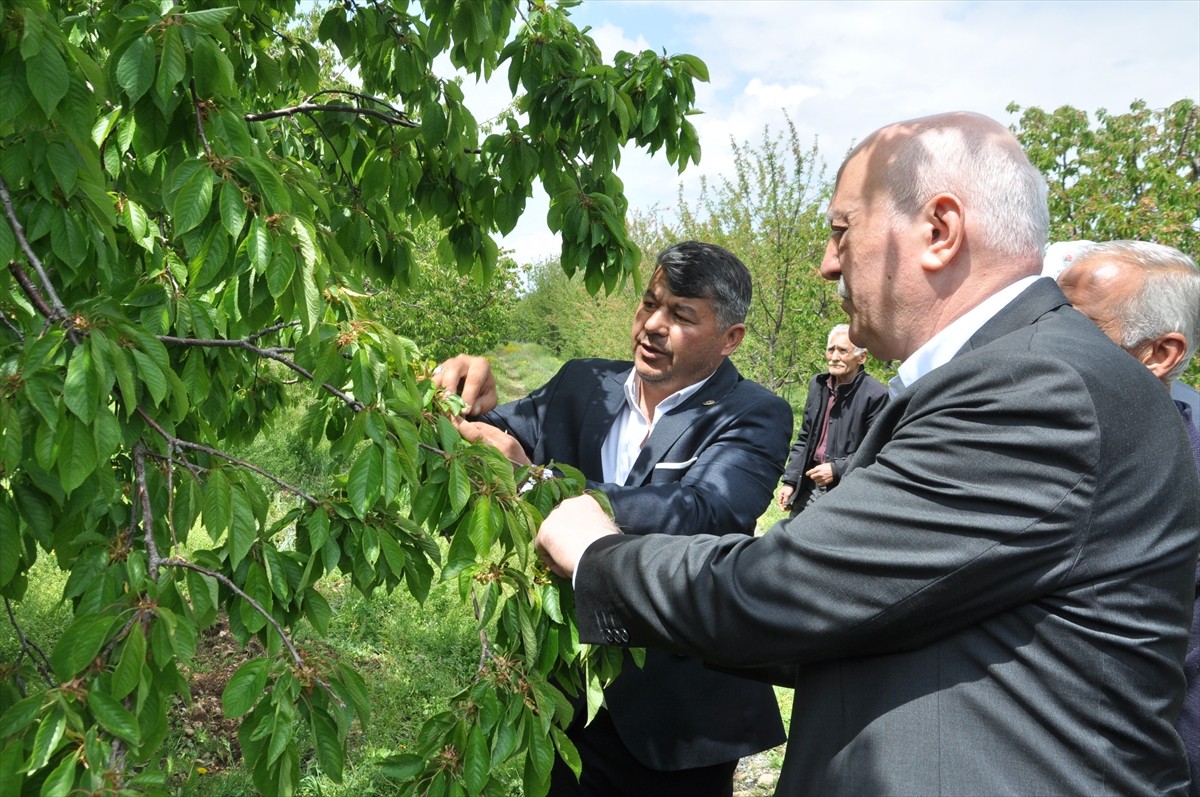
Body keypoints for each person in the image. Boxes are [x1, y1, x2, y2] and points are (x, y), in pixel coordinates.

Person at [534, 112, 1200, 795]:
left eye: (841, 231)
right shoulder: (1014, 373)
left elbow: (786, 589)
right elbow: (863, 615)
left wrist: (598, 556)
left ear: (940, 231)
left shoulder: (1037, 386)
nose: (827, 264)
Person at [433, 241, 791, 796]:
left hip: (678, 716)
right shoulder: (584, 385)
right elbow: (495, 436)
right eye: (649, 303)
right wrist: (464, 395)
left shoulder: (755, 413)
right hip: (569, 695)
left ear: (730, 339)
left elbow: (708, 510)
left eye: (681, 316)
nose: (652, 325)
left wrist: (539, 482)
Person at [1056, 240, 1200, 796]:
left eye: (1080, 327)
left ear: (1160, 353)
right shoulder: (1053, 443)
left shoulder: (1184, 469)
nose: (1044, 341)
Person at [777, 324, 888, 514]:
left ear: (861, 357)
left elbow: (878, 449)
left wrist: (837, 469)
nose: (835, 357)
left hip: (846, 489)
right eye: (831, 350)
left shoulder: (876, 395)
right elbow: (805, 437)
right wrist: (791, 481)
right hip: (809, 482)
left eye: (843, 351)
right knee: (791, 538)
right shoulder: (818, 385)